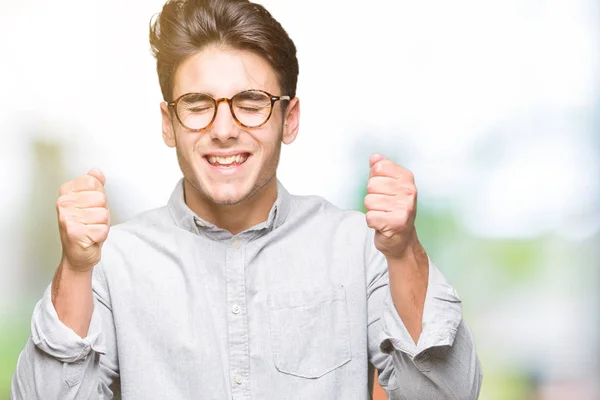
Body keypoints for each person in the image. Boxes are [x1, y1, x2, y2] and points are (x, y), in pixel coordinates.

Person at [11, 0, 483, 398]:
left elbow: (449, 390)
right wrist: (75, 269)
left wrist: (403, 252)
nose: (223, 129)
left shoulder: (361, 248)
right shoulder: (110, 262)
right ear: (167, 123)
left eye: (251, 103)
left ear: (290, 119)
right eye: (197, 105)